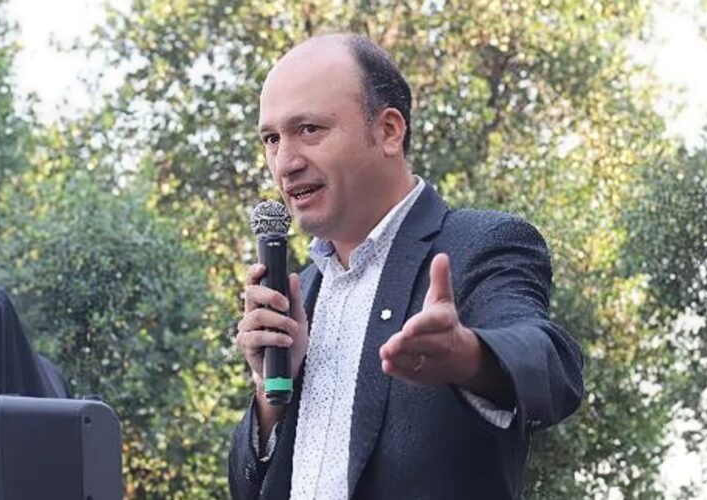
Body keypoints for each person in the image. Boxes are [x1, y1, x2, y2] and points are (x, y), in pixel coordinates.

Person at [229, 34, 583, 500]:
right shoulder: (301, 293)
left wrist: (469, 356)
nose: (286, 162)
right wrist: (270, 389)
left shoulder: (478, 246)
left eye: (309, 129)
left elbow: (552, 366)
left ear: (389, 131)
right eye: (272, 138)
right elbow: (248, 488)